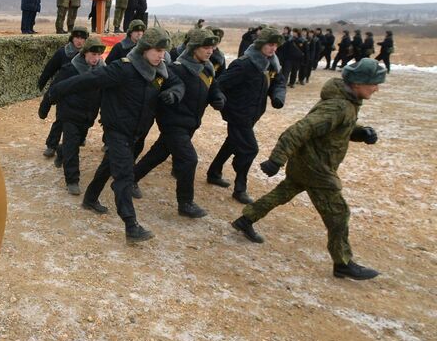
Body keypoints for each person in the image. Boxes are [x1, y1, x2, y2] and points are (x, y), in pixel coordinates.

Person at [232, 58, 386, 280]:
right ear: (359, 83)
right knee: (339, 213)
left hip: (306, 163)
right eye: (374, 83)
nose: (376, 88)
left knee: (282, 193)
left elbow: (335, 130)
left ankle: (246, 219)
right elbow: (300, 130)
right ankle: (342, 262)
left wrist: (360, 133)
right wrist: (276, 159)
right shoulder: (338, 106)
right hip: (317, 169)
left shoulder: (346, 103)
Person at [49, 27, 184, 242]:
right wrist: (55, 92)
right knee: (123, 175)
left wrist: (173, 93)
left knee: (108, 166)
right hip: (117, 130)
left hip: (136, 132)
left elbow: (177, 83)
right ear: (144, 49)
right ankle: (131, 225)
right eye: (157, 50)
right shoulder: (123, 69)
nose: (161, 55)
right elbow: (87, 81)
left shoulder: (160, 70)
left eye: (163, 51)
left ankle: (90, 198)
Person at [133, 28, 225, 218]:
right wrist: (169, 102)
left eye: (212, 48)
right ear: (194, 48)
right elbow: (160, 94)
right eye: (206, 47)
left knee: (158, 154)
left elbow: (214, 88)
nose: (210, 51)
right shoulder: (177, 68)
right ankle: (186, 203)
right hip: (174, 123)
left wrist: (218, 98)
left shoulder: (207, 68)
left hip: (190, 123)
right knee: (189, 159)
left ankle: (130, 179)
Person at [206, 27, 287, 205]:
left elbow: (279, 81)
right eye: (269, 44)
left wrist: (277, 96)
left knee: (232, 143)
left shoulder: (272, 63)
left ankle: (213, 172)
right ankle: (240, 188)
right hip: (237, 114)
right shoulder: (244, 64)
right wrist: (222, 104)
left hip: (253, 114)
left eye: (275, 45)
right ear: (260, 44)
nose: (273, 48)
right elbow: (219, 85)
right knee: (250, 149)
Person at [50, 37, 107, 195]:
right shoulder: (70, 69)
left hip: (88, 116)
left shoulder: (103, 71)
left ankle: (61, 151)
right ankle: (72, 180)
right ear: (84, 53)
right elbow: (55, 88)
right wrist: (46, 105)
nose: (95, 58)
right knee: (73, 146)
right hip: (69, 114)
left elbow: (105, 94)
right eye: (92, 54)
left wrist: (105, 114)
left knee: (75, 142)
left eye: (98, 55)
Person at [38, 27, 90, 158]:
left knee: (84, 118)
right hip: (64, 92)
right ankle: (51, 145)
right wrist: (42, 82)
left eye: (83, 38)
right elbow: (50, 68)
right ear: (72, 38)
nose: (79, 41)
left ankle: (80, 137)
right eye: (77, 38)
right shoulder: (63, 53)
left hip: (83, 94)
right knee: (61, 119)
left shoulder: (90, 55)